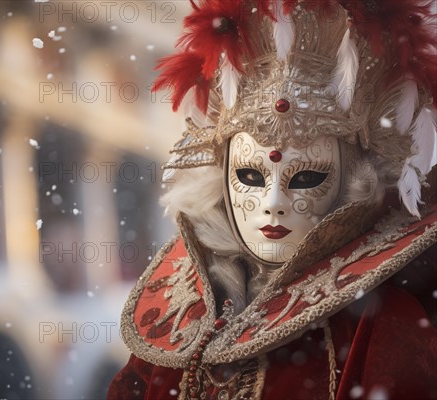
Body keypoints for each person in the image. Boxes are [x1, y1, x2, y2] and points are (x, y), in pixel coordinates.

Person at [108, 0, 437, 399]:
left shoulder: (377, 325)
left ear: (353, 182)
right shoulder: (176, 328)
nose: (273, 201)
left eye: (306, 177)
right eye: (249, 175)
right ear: (222, 178)